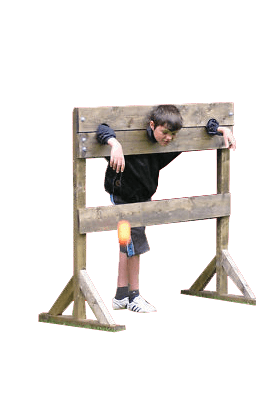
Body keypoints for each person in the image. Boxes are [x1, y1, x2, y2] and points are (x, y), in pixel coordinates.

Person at [96, 104, 236, 313]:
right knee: (136, 243)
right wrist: (114, 143)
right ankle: (134, 296)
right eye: (165, 132)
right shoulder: (125, 139)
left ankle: (121, 296)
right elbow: (99, 128)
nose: (169, 138)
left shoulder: (167, 143)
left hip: (142, 197)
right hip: (122, 196)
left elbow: (204, 127)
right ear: (152, 125)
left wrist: (221, 129)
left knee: (127, 244)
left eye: (173, 134)